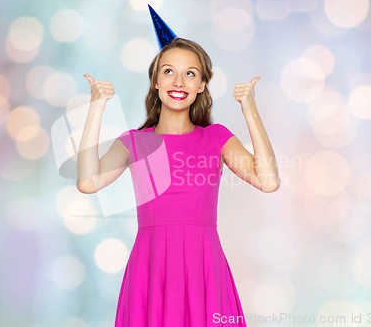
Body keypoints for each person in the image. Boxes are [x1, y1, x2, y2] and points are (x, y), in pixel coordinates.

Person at [76, 36, 280, 326]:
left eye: (190, 74)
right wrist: (96, 108)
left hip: (204, 268)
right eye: (169, 71)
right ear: (155, 82)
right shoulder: (134, 142)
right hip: (151, 267)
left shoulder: (217, 138)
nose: (179, 82)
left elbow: (268, 180)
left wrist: (250, 111)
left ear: (201, 85)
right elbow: (87, 182)